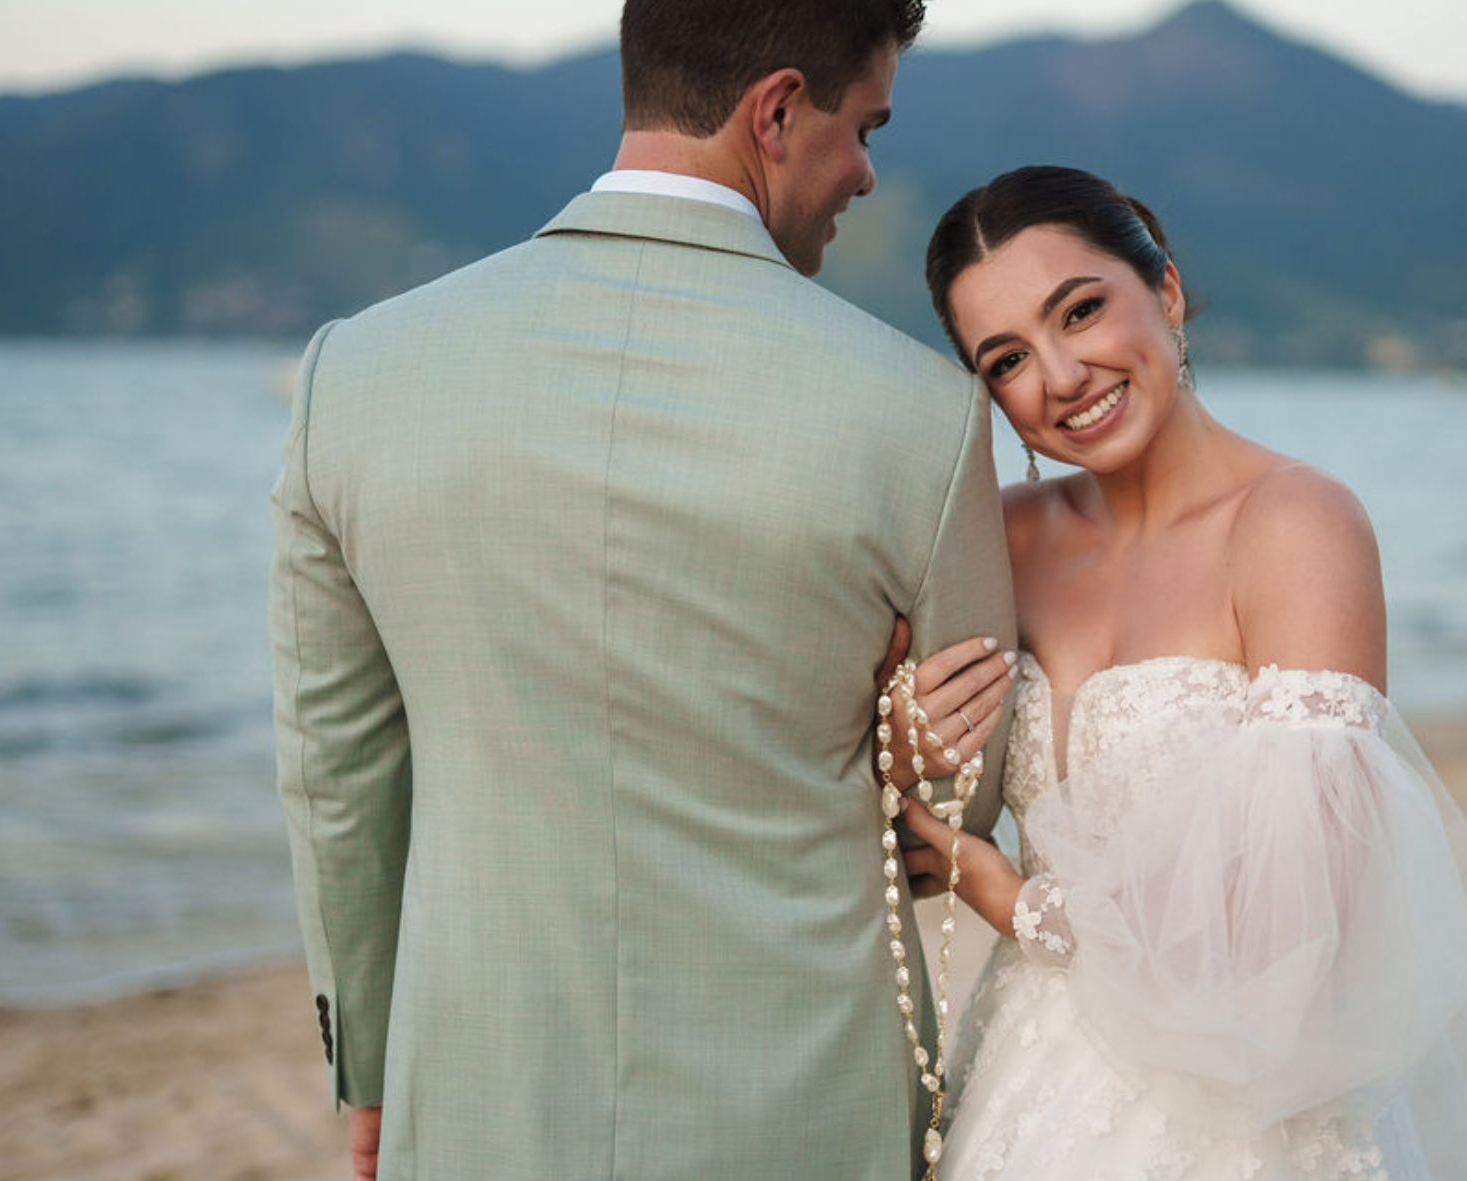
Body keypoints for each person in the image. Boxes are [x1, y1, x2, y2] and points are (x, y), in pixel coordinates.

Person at [267, 1, 1018, 1176]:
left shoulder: (350, 379)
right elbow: (957, 806)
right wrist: (878, 731)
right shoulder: (922, 414)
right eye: (863, 125)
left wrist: (370, 1067)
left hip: (478, 1087)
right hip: (806, 1101)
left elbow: (340, 781)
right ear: (774, 111)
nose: (868, 173)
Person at [883, 165, 1467, 1179]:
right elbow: (879, 793)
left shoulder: (1294, 525)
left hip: (1232, 1110)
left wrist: (1008, 899)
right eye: (1006, 358)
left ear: (1168, 293)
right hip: (1019, 1080)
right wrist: (904, 746)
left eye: (1081, 310)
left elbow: (1299, 923)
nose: (1057, 377)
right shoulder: (994, 539)